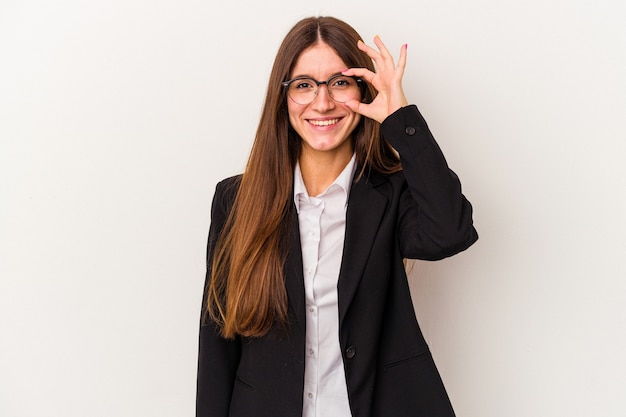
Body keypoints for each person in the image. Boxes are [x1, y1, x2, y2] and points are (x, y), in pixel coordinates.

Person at [196, 16, 478, 417]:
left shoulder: (392, 194)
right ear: (284, 97)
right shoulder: (236, 199)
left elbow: (450, 232)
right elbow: (216, 341)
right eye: (304, 84)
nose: (323, 102)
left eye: (339, 82)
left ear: (363, 89)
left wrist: (401, 117)